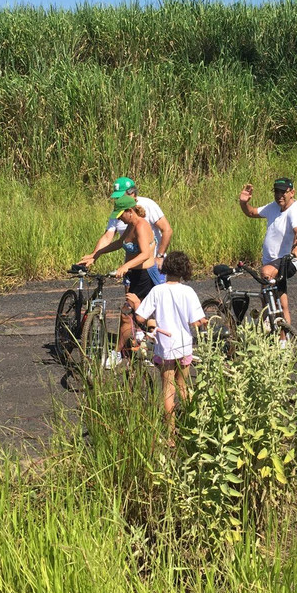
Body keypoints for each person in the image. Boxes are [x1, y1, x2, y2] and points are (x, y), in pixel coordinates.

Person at [79, 194, 165, 368]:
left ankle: (120, 353)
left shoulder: (141, 226)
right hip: (135, 275)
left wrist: (125, 266)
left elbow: (145, 254)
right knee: (132, 315)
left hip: (146, 276)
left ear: (130, 211)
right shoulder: (131, 225)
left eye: (121, 215)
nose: (120, 219)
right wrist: (96, 255)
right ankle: (137, 349)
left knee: (132, 315)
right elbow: (119, 243)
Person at [133, 251, 207, 437]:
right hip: (184, 346)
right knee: (183, 386)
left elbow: (140, 316)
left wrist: (135, 305)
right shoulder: (188, 291)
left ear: (165, 268)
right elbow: (197, 321)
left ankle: (170, 433)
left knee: (168, 388)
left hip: (165, 347)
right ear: (185, 270)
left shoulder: (158, 291)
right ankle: (195, 425)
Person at [238, 177, 297, 331]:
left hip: (286, 262)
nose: (279, 195)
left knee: (266, 274)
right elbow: (251, 212)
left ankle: (272, 327)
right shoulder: (273, 207)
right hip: (271, 261)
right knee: (274, 302)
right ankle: (279, 340)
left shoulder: (296, 211)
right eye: (277, 191)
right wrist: (244, 202)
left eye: (283, 192)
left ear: (292, 193)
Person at [86, 176, 173, 270]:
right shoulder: (119, 211)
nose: (118, 199)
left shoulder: (148, 205)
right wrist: (94, 255)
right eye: (117, 197)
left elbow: (167, 230)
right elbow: (108, 237)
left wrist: (160, 256)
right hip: (131, 264)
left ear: (132, 193)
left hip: (152, 262)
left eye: (121, 196)